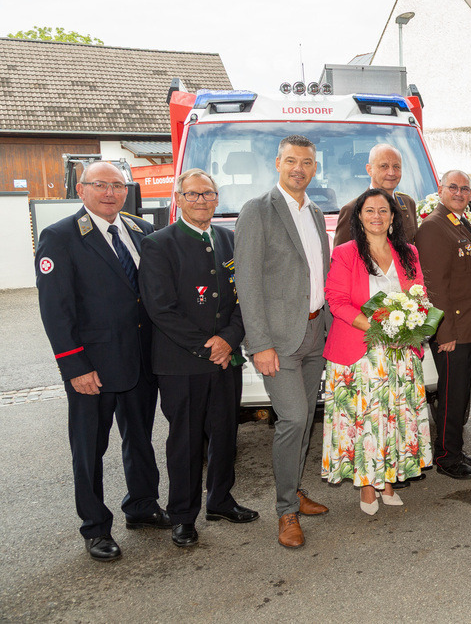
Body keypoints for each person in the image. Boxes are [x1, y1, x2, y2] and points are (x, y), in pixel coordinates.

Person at [35, 161, 168, 562]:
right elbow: (56, 310)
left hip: (141, 360)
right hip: (93, 366)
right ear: (81, 189)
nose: (110, 193)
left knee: (140, 438)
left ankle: (142, 505)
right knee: (89, 448)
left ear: (127, 191)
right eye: (100, 185)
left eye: (118, 186)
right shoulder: (60, 236)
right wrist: (74, 366)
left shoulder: (141, 230)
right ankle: (95, 527)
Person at [139, 169, 259, 547]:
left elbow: (245, 298)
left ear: (217, 198)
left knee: (225, 435)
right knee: (186, 442)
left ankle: (220, 500)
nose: (201, 200)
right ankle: (183, 515)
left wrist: (230, 339)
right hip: (182, 364)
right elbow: (161, 308)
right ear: (178, 199)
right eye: (192, 194)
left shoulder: (228, 239)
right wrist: (211, 346)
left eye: (207, 193)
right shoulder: (158, 244)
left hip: (226, 359)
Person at [235, 135, 332, 548]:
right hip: (278, 340)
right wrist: (259, 344)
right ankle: (285, 510)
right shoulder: (257, 210)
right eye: (291, 160)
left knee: (306, 419)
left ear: (315, 168)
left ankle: (294, 490)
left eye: (306, 162)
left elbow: (319, 275)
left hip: (315, 333)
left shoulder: (315, 212)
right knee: (292, 420)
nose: (299, 169)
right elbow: (247, 282)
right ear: (277, 163)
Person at [322, 189, 433, 514]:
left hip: (400, 354)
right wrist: (376, 328)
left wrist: (410, 327)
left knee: (393, 418)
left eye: (383, 210)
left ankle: (388, 481)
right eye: (369, 210)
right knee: (366, 422)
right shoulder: (345, 253)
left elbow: (419, 295)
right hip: (360, 355)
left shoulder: (408, 252)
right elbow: (336, 300)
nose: (376, 216)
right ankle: (368, 486)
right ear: (359, 217)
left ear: (393, 217)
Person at [415, 170, 471, 479]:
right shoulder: (433, 227)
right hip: (451, 331)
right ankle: (446, 457)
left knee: (460, 393)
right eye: (453, 187)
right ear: (441, 190)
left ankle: (454, 447)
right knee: (450, 396)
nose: (459, 193)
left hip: (466, 327)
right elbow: (434, 287)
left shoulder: (458, 221)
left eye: (465, 189)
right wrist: (443, 332)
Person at [333, 144, 418, 246]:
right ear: (369, 170)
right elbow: (341, 254)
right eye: (384, 166)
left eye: (396, 167)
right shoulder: (352, 210)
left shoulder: (407, 203)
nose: (391, 172)